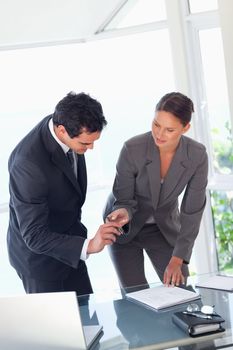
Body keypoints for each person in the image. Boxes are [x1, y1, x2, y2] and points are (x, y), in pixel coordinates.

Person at [7, 91, 122, 296]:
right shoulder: (28, 165)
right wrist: (89, 245)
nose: (91, 148)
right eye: (85, 144)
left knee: (88, 318)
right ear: (61, 131)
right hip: (40, 263)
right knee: (54, 327)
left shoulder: (65, 124)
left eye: (93, 141)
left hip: (71, 250)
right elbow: (34, 236)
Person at [103, 92, 208, 291]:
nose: (159, 134)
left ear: (185, 128)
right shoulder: (132, 148)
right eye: (156, 124)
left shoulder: (197, 155)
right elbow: (123, 199)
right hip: (125, 226)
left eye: (169, 130)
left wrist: (178, 259)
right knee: (135, 296)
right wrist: (122, 213)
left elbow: (192, 211)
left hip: (163, 228)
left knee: (181, 291)